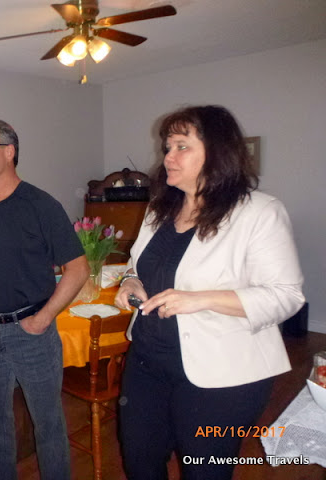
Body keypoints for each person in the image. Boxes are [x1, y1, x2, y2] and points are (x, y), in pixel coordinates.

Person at [114, 105, 305, 480]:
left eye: (181, 146)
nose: (168, 157)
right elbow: (138, 265)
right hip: (147, 363)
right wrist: (130, 281)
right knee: (139, 462)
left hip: (223, 374)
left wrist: (199, 299)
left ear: (217, 151)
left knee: (205, 471)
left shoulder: (258, 212)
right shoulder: (158, 209)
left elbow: (286, 295)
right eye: (167, 147)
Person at [0, 119, 89, 480]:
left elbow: (78, 269)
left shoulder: (41, 206)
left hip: (32, 333)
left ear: (9, 152)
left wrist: (43, 318)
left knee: (48, 424)